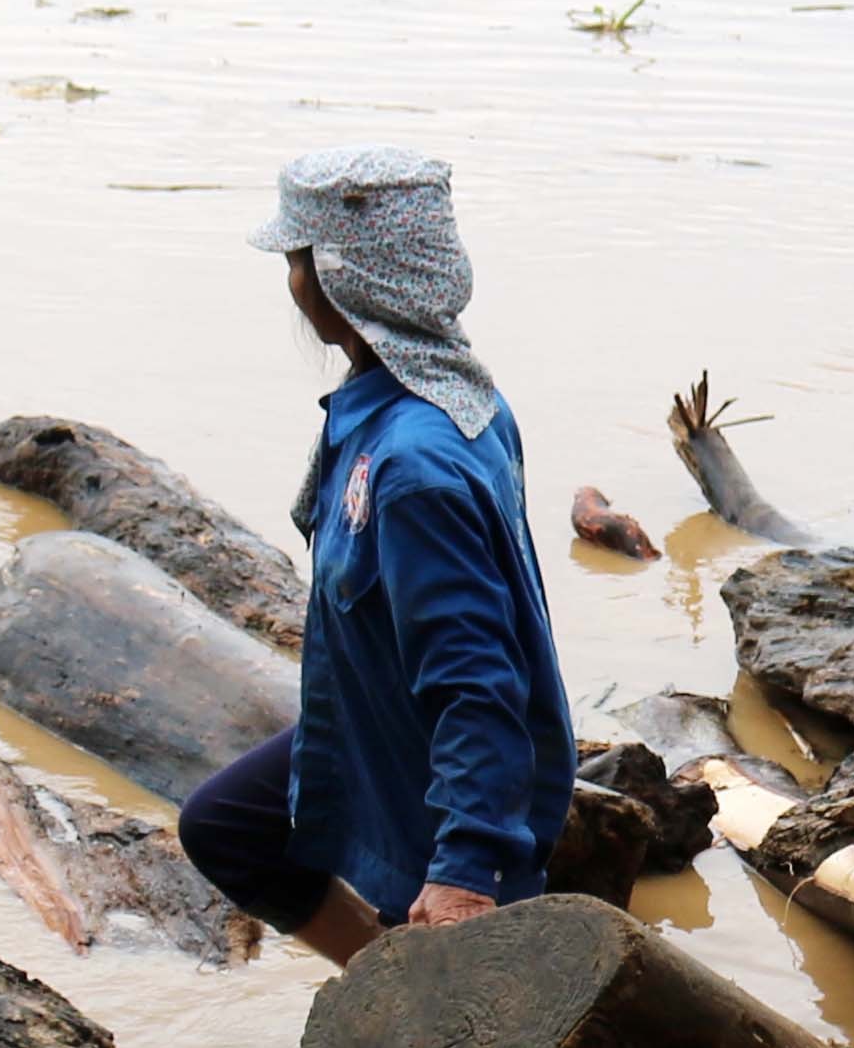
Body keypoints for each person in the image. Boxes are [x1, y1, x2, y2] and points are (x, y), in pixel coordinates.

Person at [173, 148, 579, 961]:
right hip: (373, 723)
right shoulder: (436, 398)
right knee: (226, 824)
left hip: (437, 773)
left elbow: (476, 678)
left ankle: (404, 981)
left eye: (297, 262)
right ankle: (377, 975)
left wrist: (465, 867)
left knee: (455, 1029)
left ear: (340, 279)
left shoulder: (411, 469)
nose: (291, 284)